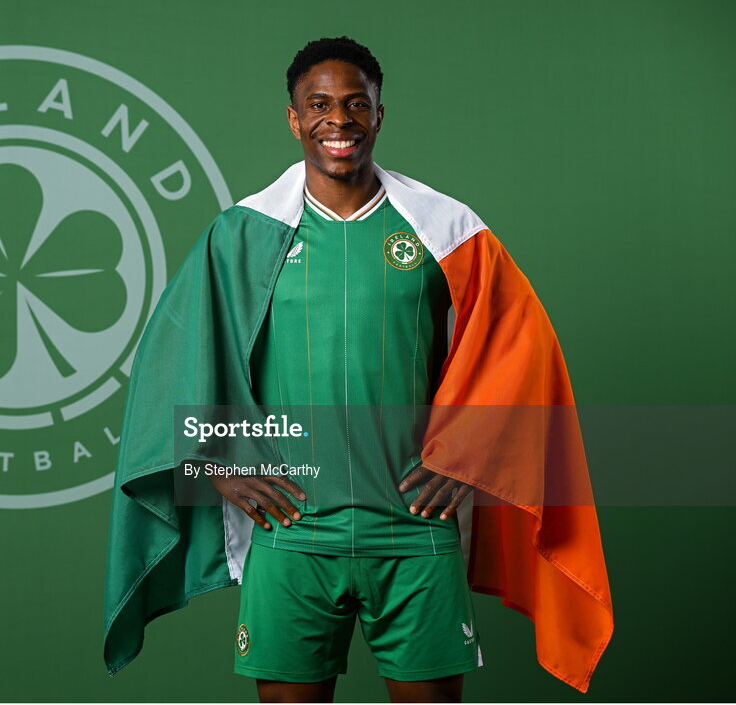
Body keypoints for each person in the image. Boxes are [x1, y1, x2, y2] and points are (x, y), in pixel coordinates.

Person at [103, 36, 613, 703]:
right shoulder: (243, 233)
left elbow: (520, 352)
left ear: (379, 115)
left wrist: (471, 451)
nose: (337, 120)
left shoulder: (445, 229)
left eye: (355, 104)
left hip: (415, 531)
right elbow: (173, 362)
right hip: (291, 533)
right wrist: (218, 464)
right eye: (318, 105)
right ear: (293, 118)